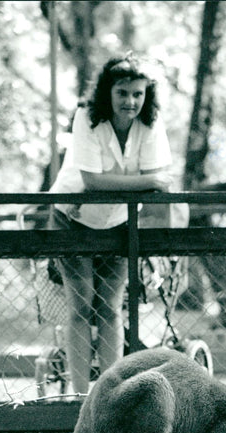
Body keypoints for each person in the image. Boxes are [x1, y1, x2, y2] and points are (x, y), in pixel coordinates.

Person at [48, 53, 173, 394]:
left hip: (118, 222)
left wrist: (149, 181)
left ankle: (109, 394)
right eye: (122, 93)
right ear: (108, 92)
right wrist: (148, 182)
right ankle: (79, 396)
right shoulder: (87, 117)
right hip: (73, 219)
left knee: (110, 308)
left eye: (138, 93)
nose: (130, 101)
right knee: (81, 306)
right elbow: (92, 181)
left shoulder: (150, 122)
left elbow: (155, 175)